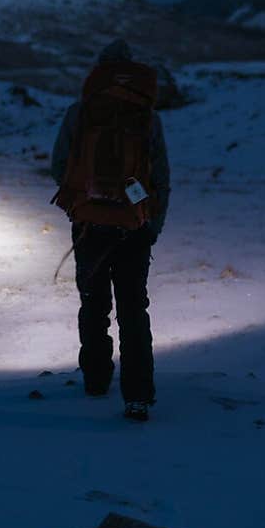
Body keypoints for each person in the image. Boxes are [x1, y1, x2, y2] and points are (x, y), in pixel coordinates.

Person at [51, 39, 170, 421]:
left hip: (89, 225)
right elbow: (160, 177)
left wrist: (82, 206)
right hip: (134, 226)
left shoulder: (80, 113)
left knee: (94, 302)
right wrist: (151, 224)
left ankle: (96, 379)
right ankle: (137, 395)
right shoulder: (148, 117)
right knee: (133, 308)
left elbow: (59, 167)